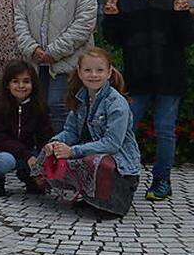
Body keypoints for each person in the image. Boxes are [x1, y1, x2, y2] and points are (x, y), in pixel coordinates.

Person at [103, 0, 194, 202]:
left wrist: (182, 15)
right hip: (136, 78)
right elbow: (114, 39)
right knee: (125, 127)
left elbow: (188, 39)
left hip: (170, 78)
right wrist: (111, 17)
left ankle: (161, 179)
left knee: (165, 130)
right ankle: (124, 174)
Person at [13, 0, 97, 132]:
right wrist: (32, 49)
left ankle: (63, 156)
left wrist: (53, 52)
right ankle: (42, 155)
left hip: (67, 61)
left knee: (59, 106)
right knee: (36, 109)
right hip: (36, 62)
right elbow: (19, 20)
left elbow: (84, 23)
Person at [42, 48, 141, 217]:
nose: (93, 75)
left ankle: (111, 203)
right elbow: (71, 132)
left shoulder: (117, 103)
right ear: (79, 73)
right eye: (87, 70)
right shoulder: (80, 99)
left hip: (120, 167)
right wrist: (55, 143)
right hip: (92, 154)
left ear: (109, 72)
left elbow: (112, 144)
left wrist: (72, 151)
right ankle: (88, 196)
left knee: (95, 160)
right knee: (49, 153)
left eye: (99, 70)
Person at [0, 60, 51, 197]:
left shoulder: (39, 105)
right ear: (7, 84)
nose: (21, 86)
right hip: (4, 151)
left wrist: (44, 156)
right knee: (5, 162)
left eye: (26, 81)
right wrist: (27, 155)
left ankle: (28, 176)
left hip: (28, 151)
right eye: (15, 81)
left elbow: (44, 134)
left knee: (44, 160)